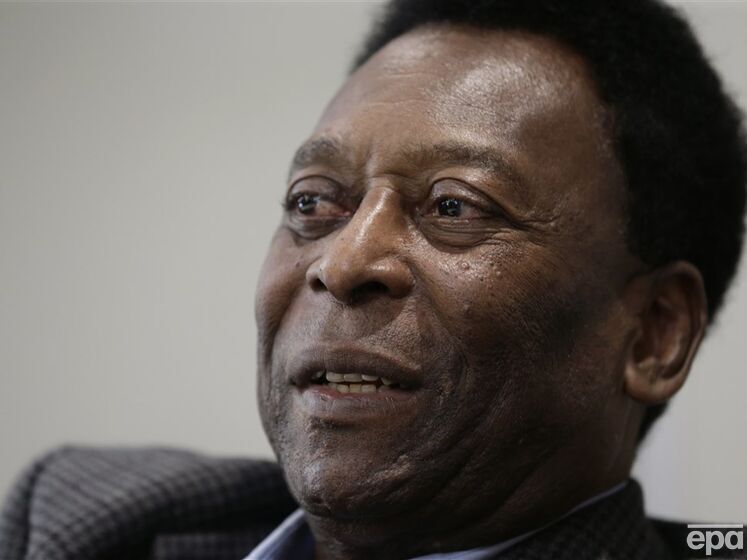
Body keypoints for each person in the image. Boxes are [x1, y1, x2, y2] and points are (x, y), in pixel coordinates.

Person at [1, 1, 745, 559]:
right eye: (312, 203)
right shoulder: (86, 518)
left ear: (654, 335)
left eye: (454, 206)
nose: (343, 262)